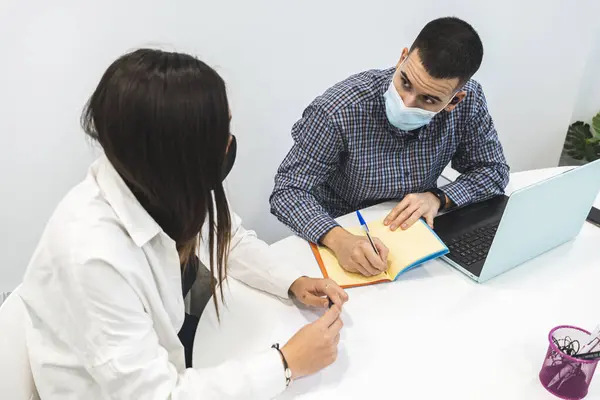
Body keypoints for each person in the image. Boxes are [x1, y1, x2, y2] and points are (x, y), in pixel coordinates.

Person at [18, 48, 348, 399]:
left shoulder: (159, 182)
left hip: (159, 355)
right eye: (219, 132)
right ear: (177, 151)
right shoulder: (92, 256)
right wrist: (284, 364)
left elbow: (228, 240)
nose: (229, 144)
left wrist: (292, 281)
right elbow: (156, 395)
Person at [270, 17, 509, 277]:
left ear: (454, 100)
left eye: (428, 99)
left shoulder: (469, 101)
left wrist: (438, 198)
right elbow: (288, 190)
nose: (407, 103)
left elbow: (493, 170)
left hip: (419, 236)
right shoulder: (339, 111)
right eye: (405, 82)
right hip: (342, 232)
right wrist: (338, 239)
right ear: (402, 58)